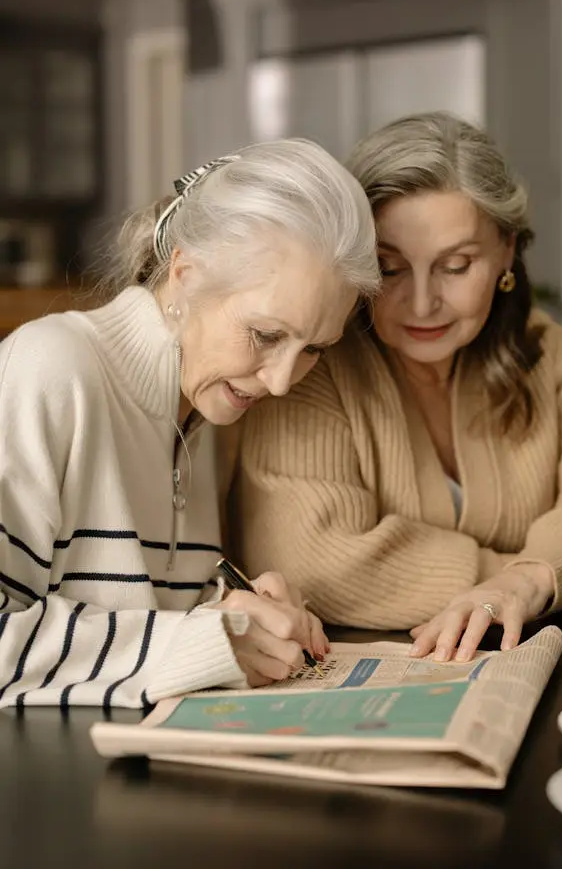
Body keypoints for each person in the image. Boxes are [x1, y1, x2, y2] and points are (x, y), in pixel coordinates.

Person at [236, 112, 562, 663]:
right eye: (389, 268)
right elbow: (316, 561)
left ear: (506, 250)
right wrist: (531, 575)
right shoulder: (313, 360)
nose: (423, 303)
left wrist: (526, 582)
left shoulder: (546, 351)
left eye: (455, 265)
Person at [0, 139, 380, 708]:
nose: (280, 381)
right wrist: (199, 640)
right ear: (183, 274)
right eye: (267, 335)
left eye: (314, 349)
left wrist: (235, 612)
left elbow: (136, 620)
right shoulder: (53, 366)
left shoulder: (209, 409)